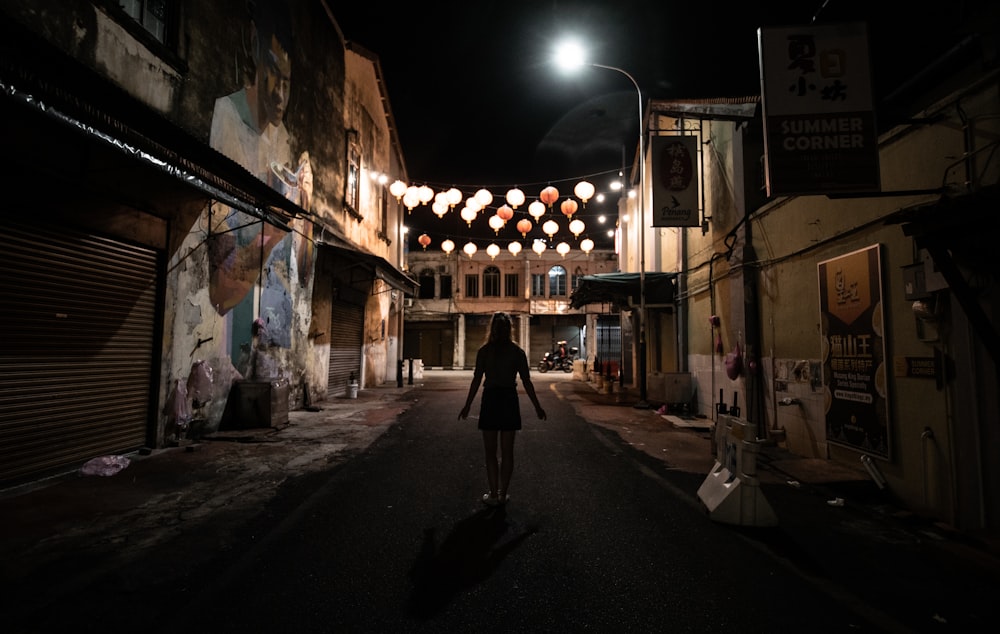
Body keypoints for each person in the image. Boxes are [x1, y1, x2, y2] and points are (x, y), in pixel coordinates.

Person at [459, 312, 546, 506]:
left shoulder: (484, 351)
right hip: (509, 400)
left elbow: (476, 381)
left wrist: (467, 405)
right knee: (508, 452)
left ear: (492, 329)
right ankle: (503, 493)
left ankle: (493, 494)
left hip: (490, 400)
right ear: (510, 329)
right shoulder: (517, 352)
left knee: (490, 452)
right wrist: (537, 407)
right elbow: (527, 382)